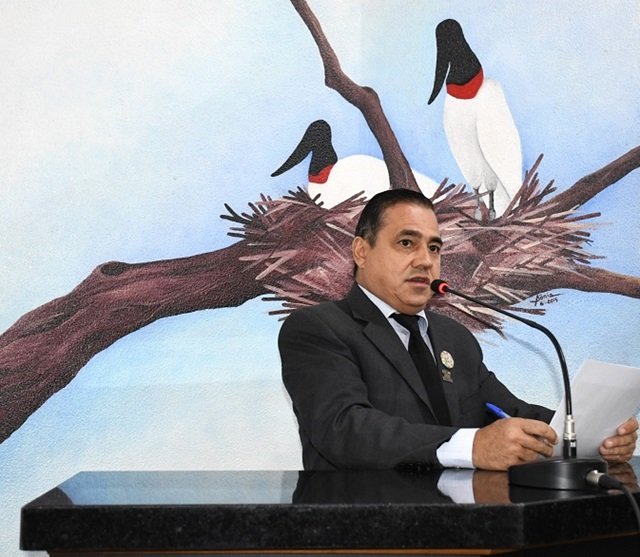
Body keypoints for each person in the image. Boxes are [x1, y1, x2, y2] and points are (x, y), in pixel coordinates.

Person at [278, 189, 638, 470]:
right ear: (361, 251)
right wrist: (473, 446)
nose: (425, 261)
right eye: (406, 243)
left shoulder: (454, 337)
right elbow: (344, 429)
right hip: (365, 527)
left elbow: (508, 411)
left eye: (434, 248)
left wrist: (584, 436)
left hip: (462, 523)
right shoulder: (317, 329)